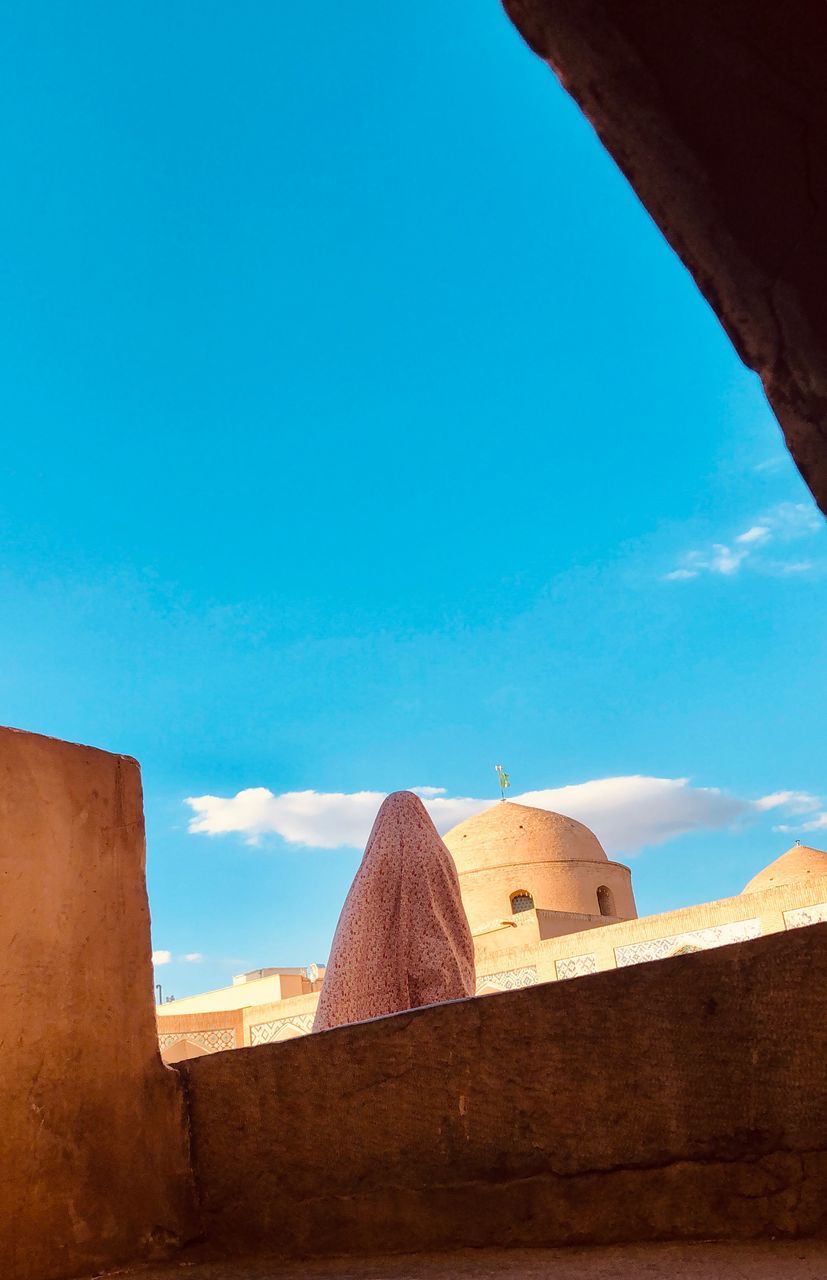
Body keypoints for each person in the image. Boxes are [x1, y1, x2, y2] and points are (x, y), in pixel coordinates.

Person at [313, 790, 475, 1032]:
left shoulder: (380, 855)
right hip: (441, 966)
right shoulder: (438, 854)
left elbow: (358, 925)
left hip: (383, 982)